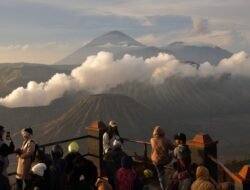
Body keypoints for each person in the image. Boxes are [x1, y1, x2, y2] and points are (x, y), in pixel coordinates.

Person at [150, 126, 174, 190]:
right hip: (164, 160)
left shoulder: (152, 140)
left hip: (155, 161)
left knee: (160, 174)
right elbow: (172, 148)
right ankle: (173, 169)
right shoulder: (166, 140)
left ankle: (162, 187)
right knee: (172, 154)